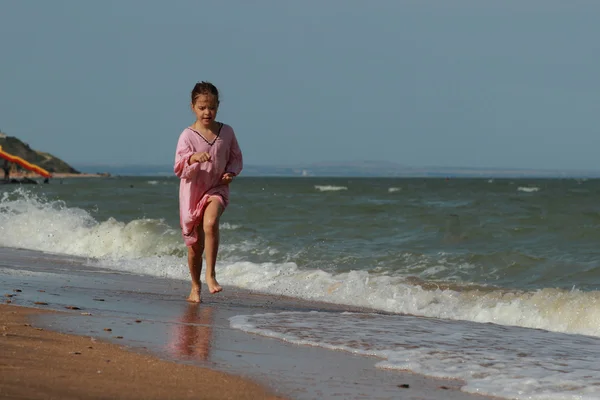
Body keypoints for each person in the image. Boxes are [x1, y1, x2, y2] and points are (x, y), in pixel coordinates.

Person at [174, 82, 243, 303]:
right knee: (195, 247)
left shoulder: (227, 132)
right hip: (193, 193)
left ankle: (211, 274)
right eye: (202, 107)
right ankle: (195, 286)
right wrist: (193, 158)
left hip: (217, 188)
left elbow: (235, 158)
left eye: (211, 107)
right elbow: (179, 167)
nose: (207, 112)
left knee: (211, 223)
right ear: (193, 106)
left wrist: (231, 173)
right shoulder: (187, 135)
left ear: (218, 107)